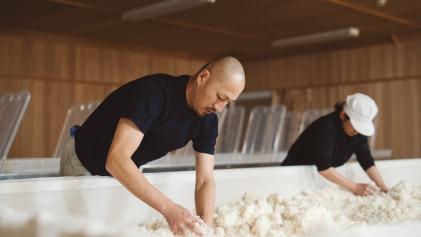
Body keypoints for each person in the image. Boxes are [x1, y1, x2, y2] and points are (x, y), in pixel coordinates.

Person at [59, 56, 246, 235]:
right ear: (203, 77)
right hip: (84, 162)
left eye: (228, 102)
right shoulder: (155, 93)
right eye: (220, 97)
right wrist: (171, 211)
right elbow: (116, 160)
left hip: (124, 171)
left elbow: (205, 180)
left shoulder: (208, 120)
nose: (220, 107)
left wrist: (205, 230)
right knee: (81, 232)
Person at [282, 93, 389, 196]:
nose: (357, 132)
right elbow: (324, 168)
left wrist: (383, 187)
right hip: (291, 175)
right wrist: (356, 187)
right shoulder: (326, 128)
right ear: (343, 115)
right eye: (355, 127)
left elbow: (366, 160)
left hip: (314, 177)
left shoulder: (357, 132)